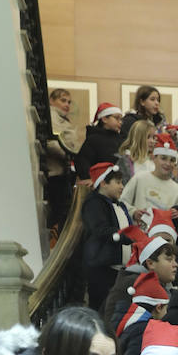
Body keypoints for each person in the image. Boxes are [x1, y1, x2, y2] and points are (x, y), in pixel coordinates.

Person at [80, 162, 131, 313]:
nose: (122, 187)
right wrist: (127, 236)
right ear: (103, 183)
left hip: (118, 270)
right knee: (101, 309)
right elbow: (100, 229)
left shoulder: (119, 205)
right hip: (102, 269)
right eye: (118, 182)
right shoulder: (94, 203)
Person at [120, 133, 178, 216]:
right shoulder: (140, 178)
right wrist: (133, 212)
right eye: (163, 158)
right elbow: (122, 201)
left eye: (172, 160)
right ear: (154, 158)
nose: (167, 163)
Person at [45, 87, 82, 231]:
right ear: (52, 101)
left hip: (63, 171)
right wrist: (68, 153)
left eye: (69, 102)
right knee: (60, 212)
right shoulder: (52, 117)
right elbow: (51, 141)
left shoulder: (63, 119)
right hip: (55, 171)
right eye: (62, 100)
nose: (67, 104)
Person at [74, 101, 124, 180]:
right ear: (104, 119)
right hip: (99, 182)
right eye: (117, 118)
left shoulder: (120, 139)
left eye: (121, 119)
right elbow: (83, 161)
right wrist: (88, 178)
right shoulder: (93, 139)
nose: (120, 122)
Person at [116, 119, 157, 183]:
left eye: (154, 137)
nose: (152, 141)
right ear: (138, 138)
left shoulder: (154, 160)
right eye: (148, 137)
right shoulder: (125, 161)